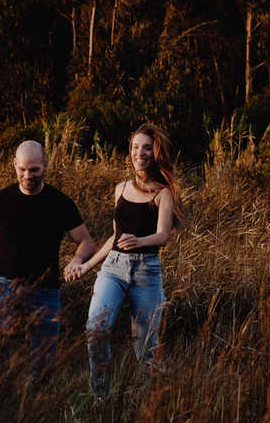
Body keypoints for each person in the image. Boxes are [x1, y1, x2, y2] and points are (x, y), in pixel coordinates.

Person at [66, 123, 184, 399]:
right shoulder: (120, 189)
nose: (139, 153)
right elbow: (114, 238)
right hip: (113, 269)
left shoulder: (163, 192)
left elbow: (163, 236)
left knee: (146, 348)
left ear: (155, 154)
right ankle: (102, 399)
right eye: (134, 147)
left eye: (146, 148)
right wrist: (86, 265)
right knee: (96, 328)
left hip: (146, 273)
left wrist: (139, 242)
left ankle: (154, 406)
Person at [0, 140, 95, 382]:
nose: (27, 175)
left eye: (34, 169)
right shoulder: (1, 200)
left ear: (45, 165)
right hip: (6, 285)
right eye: (22, 169)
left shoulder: (60, 203)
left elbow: (86, 242)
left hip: (46, 292)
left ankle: (36, 404)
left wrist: (76, 261)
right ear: (14, 164)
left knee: (43, 370)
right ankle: (3, 382)